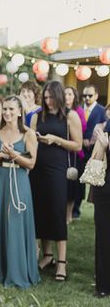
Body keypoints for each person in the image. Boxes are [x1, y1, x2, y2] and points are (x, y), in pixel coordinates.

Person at [0, 96, 39, 288]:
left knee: (16, 222)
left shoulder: (28, 134)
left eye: (11, 109)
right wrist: (1, 155)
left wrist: (15, 155)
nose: (7, 113)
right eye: (5, 109)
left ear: (19, 111)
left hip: (20, 180)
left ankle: (18, 270)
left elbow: (31, 163)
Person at [30, 81, 82, 282]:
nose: (48, 101)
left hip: (57, 170)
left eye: (52, 97)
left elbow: (77, 145)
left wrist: (56, 140)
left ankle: (61, 262)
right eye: (46, 97)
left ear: (59, 97)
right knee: (40, 211)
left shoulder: (70, 115)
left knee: (57, 212)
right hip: (38, 169)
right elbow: (31, 140)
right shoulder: (37, 115)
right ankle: (47, 255)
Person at [76, 84, 107, 219]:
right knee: (78, 181)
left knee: (95, 181)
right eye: (85, 96)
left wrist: (94, 142)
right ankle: (76, 209)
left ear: (96, 96)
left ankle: (97, 208)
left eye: (90, 95)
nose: (87, 98)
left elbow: (105, 129)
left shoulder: (102, 111)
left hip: (96, 150)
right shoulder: (78, 110)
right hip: (79, 149)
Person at [90, 128, 110, 297]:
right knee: (103, 237)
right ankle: (103, 286)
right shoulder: (105, 132)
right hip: (105, 191)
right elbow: (94, 166)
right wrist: (103, 147)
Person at [64, 86, 86, 223]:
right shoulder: (58, 111)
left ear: (74, 96)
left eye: (69, 94)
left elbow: (82, 128)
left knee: (73, 186)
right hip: (61, 152)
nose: (67, 96)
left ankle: (69, 214)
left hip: (74, 154)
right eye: (65, 94)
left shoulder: (78, 111)